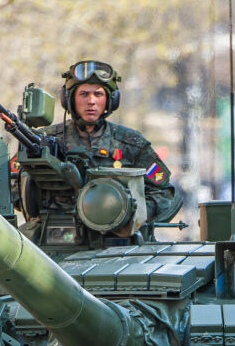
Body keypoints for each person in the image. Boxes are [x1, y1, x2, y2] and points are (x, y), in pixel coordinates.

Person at [33, 60, 182, 225]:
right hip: (57, 235)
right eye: (83, 94)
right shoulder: (45, 141)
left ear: (111, 100)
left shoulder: (131, 144)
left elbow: (163, 192)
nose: (91, 101)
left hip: (118, 239)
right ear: (69, 99)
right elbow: (14, 185)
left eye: (98, 94)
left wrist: (129, 214)